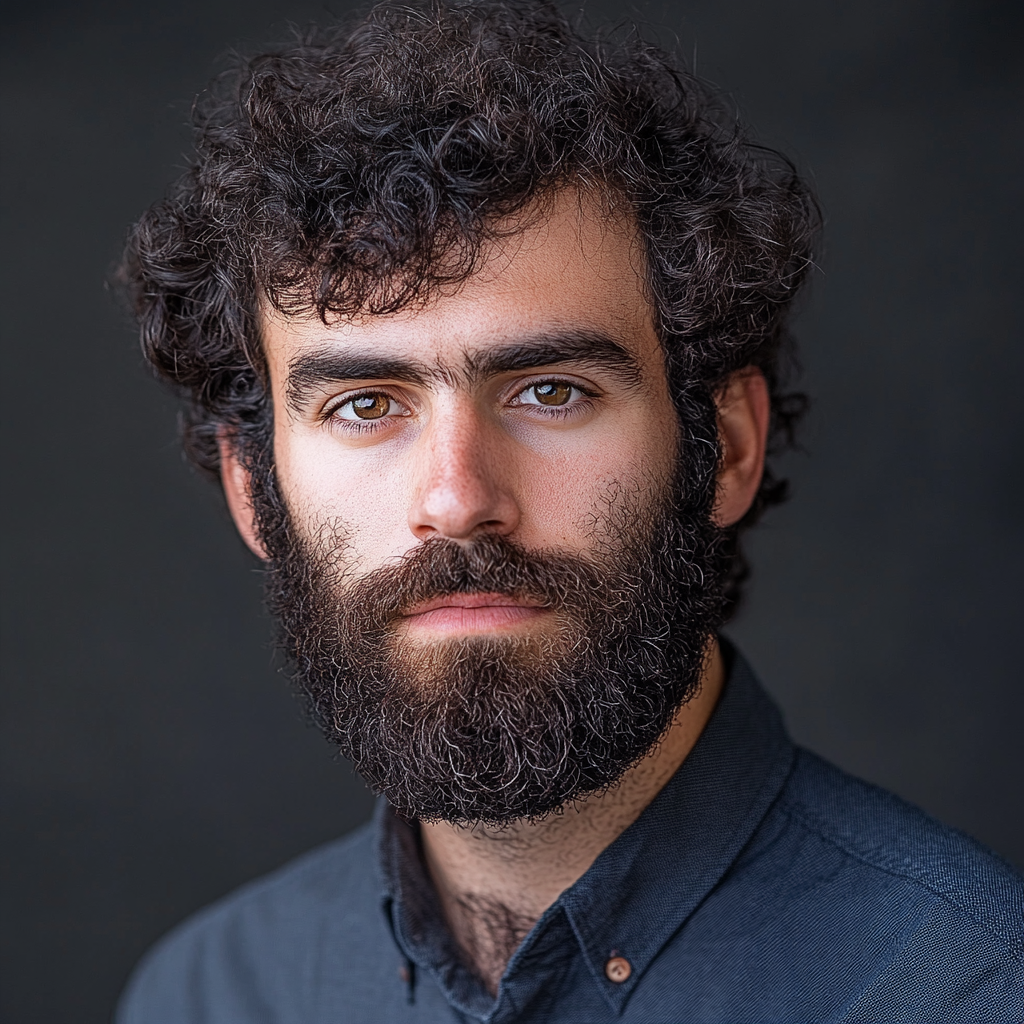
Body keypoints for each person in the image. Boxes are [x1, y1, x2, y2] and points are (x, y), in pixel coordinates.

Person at [115, 2, 1023, 1021]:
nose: (458, 500)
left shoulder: (971, 987)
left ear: (722, 445)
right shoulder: (206, 994)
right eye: (366, 405)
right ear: (252, 489)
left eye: (551, 391)